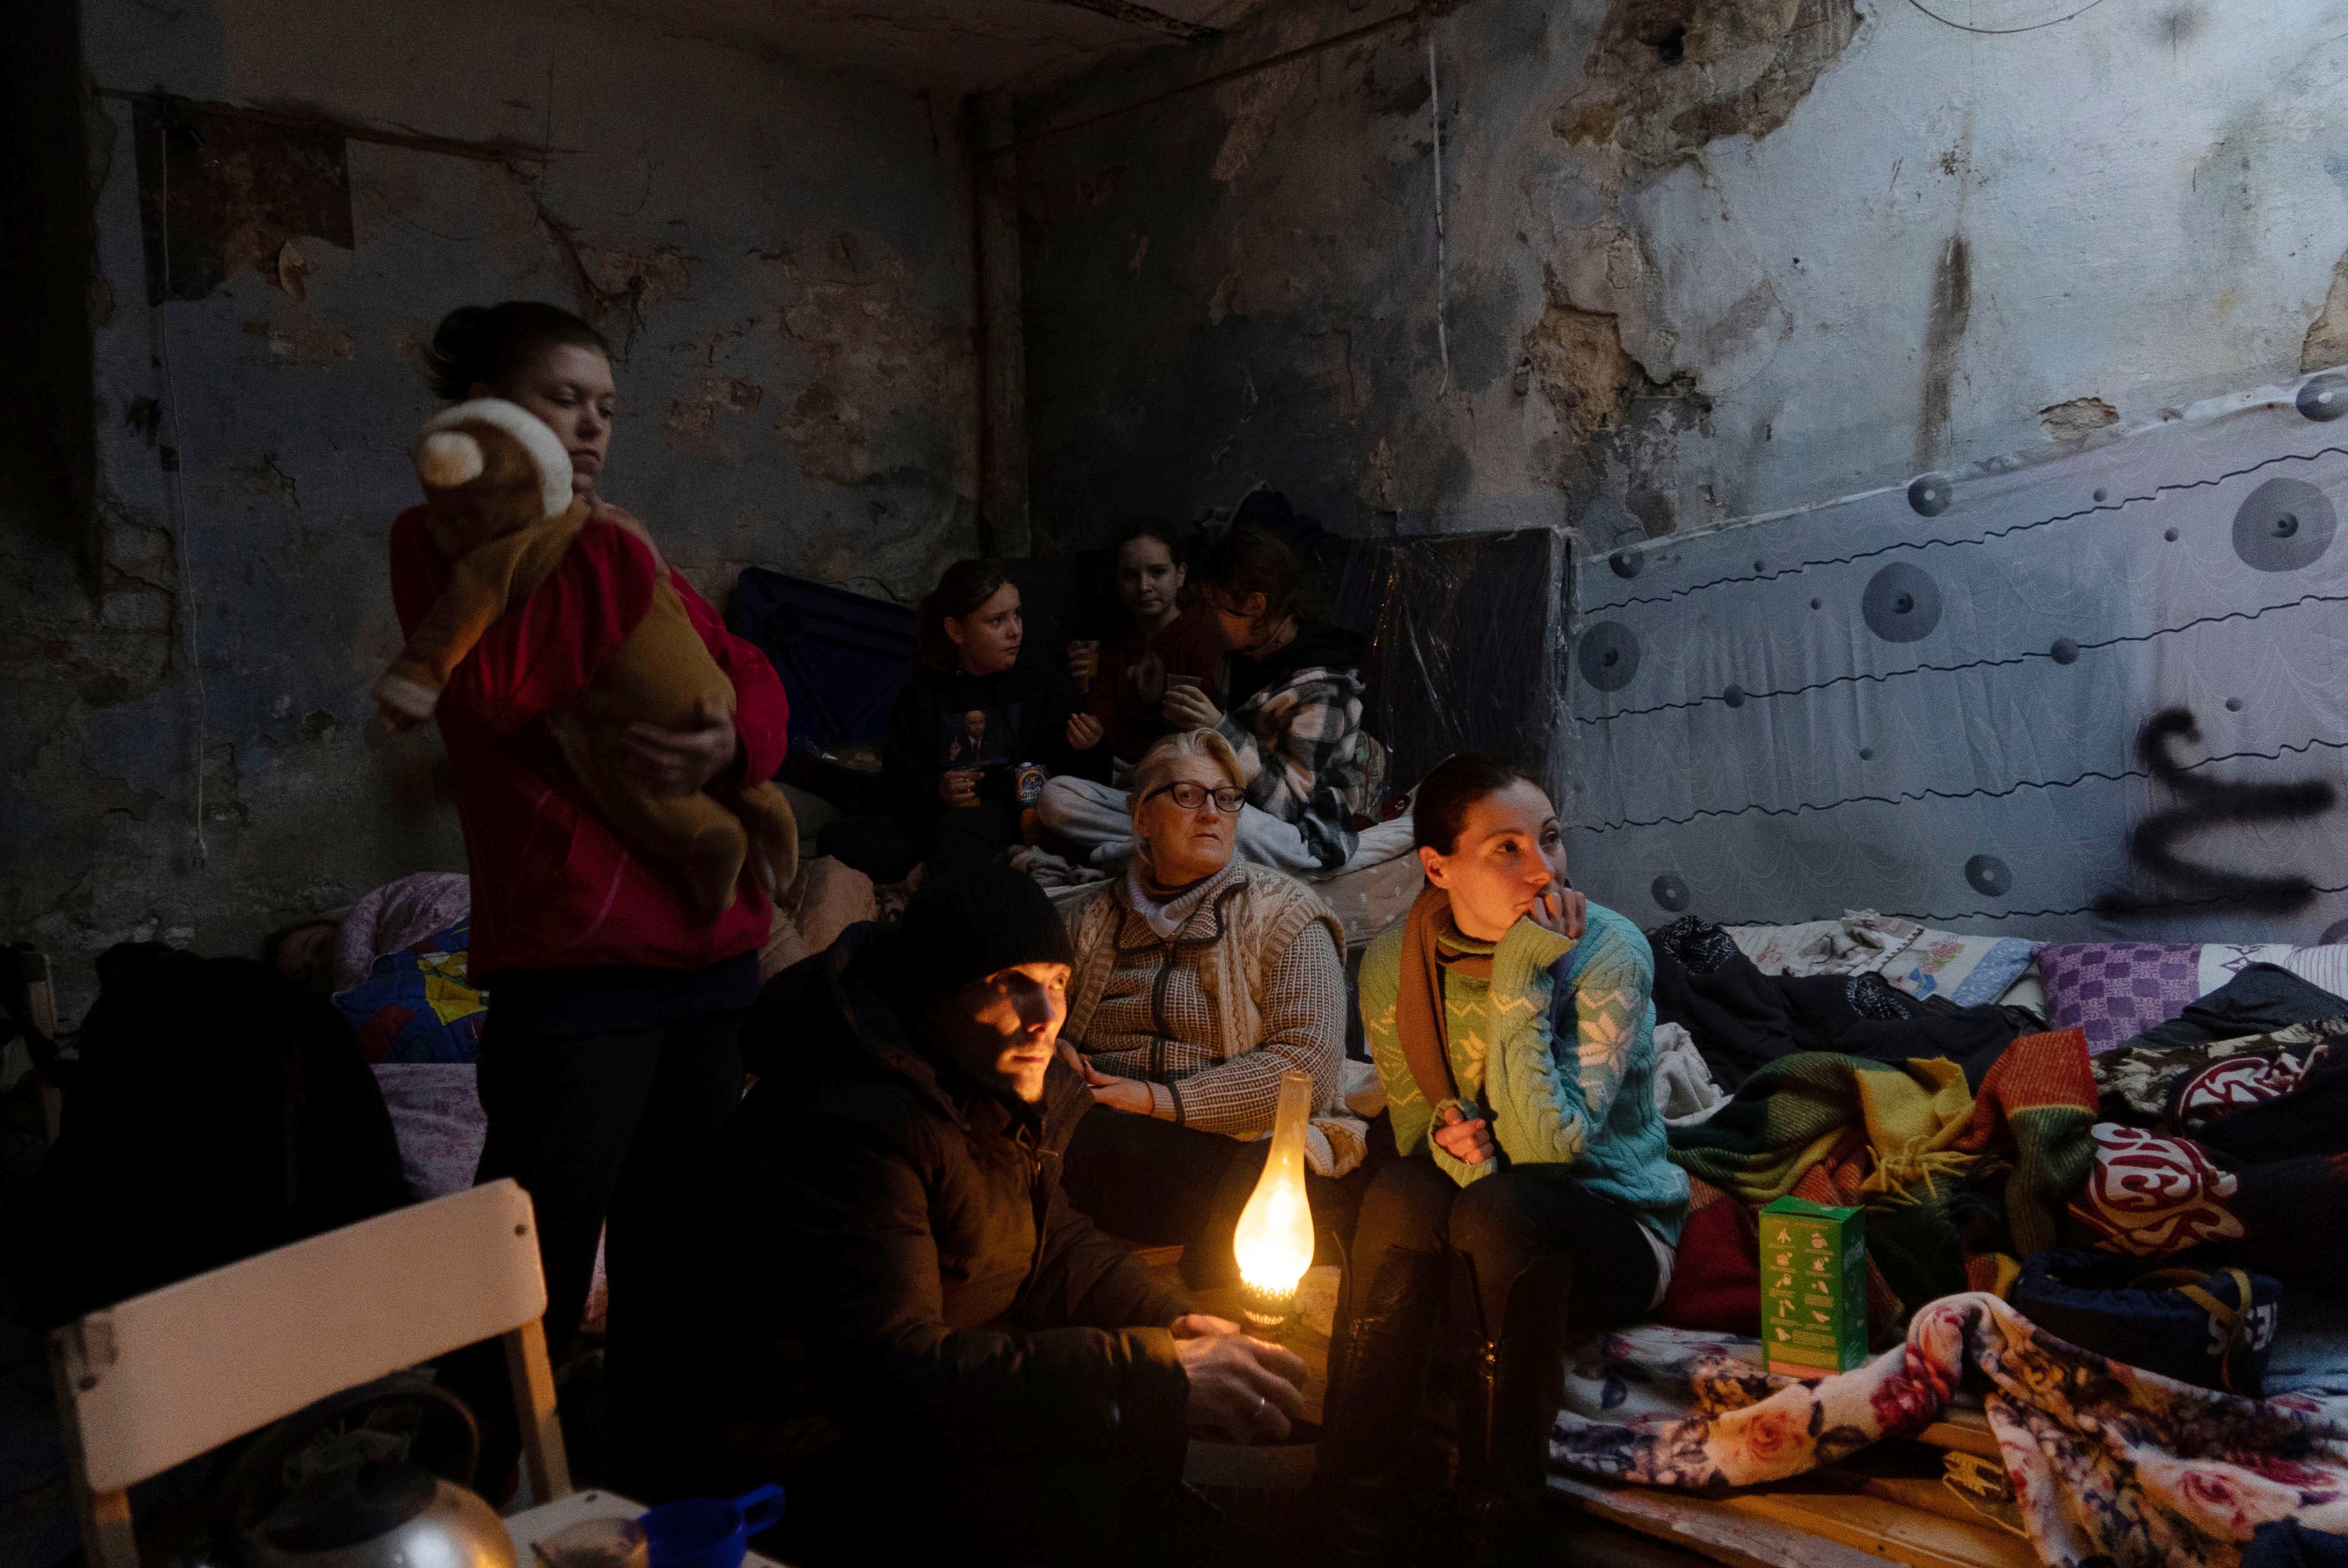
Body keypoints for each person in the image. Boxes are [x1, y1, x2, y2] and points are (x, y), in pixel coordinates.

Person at [386, 300, 789, 1478]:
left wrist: (732, 750)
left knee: (682, 1254)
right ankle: (461, 1494)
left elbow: (744, 671)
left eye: (606, 406)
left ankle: (649, 1490)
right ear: (489, 412)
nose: (594, 426)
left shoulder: (613, 539)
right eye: (566, 399)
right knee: (530, 1261)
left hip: (713, 954)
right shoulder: (440, 544)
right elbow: (503, 687)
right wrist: (598, 553)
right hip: (576, 968)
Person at [632, 867, 1307, 1565]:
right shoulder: (856, 1120)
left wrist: (1171, 1320)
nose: (1045, 1015)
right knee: (1072, 1478)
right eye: (1009, 981)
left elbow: (1052, 1244)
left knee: (1119, 1437)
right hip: (772, 1450)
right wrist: (1152, 1372)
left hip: (880, 1404)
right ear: (935, 990)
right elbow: (895, 1373)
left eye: (1056, 982)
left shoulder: (975, 1081)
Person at [1319, 754, 1688, 1559]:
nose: (1542, 868)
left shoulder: (1607, 950)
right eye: (1507, 849)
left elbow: (1548, 1149)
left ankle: (1496, 1525)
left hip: (1612, 1223)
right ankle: (1351, 1515)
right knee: (1397, 1192)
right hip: (1477, 1206)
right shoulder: (1394, 960)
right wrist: (1458, 1136)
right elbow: (1420, 1128)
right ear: (1436, 867)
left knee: (1496, 1208)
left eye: (1549, 839)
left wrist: (1522, 968)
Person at [1056, 730, 1379, 1288]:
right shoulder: (1090, 919)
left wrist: (1157, 1099)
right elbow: (1038, 1023)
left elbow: (1308, 1070)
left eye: (1226, 798)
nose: (1211, 812)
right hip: (1108, 1130)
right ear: (1141, 819)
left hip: (1238, 1143)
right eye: (1187, 795)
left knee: (1261, 1185)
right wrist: (1055, 1051)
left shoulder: (1286, 914)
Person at [1038, 522, 1384, 876]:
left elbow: (1289, 806)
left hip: (1287, 829)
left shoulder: (1324, 688)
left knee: (1242, 826)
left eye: (1217, 607)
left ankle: (1147, 855)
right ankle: (1161, 852)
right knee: (1057, 798)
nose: (1208, 619)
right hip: (1210, 807)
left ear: (1255, 606)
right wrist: (1159, 704)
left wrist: (1221, 728)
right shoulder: (1242, 654)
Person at [882, 558, 1109, 877]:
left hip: (1021, 820)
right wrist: (938, 789)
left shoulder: (1040, 681)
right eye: (997, 621)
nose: (1014, 630)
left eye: (1017, 615)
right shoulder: (925, 694)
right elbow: (896, 782)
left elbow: (1083, 784)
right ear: (957, 630)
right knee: (848, 837)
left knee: (959, 839)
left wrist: (1091, 746)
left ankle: (950, 871)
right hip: (945, 821)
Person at [1075, 522, 1224, 763]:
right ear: (1117, 581)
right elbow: (1105, 732)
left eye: (1158, 572)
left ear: (1181, 574)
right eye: (1131, 576)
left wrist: (1155, 703)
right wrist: (1082, 688)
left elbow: (1204, 734)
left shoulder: (1204, 638)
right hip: (1124, 772)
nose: (1144, 587)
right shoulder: (1113, 645)